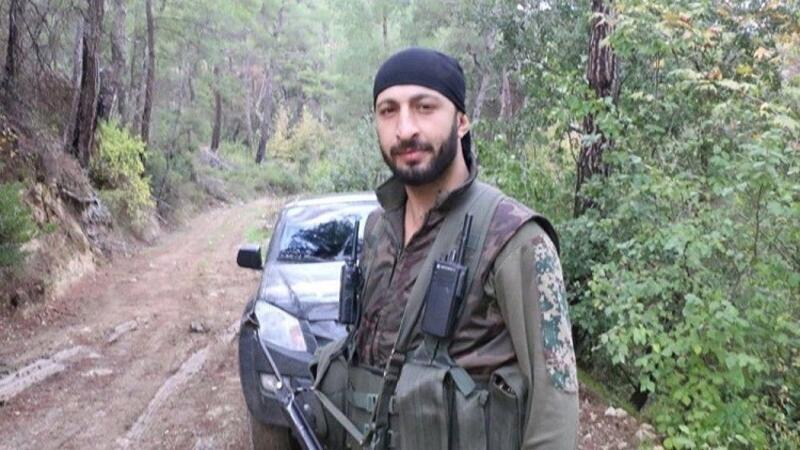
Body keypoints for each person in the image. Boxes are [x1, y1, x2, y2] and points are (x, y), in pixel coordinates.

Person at [312, 47, 578, 450]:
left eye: (425, 107)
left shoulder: (513, 238)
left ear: (462, 122)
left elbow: (554, 406)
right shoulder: (377, 228)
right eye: (388, 110)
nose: (405, 129)